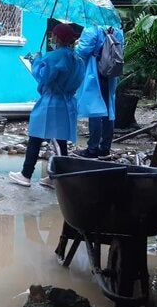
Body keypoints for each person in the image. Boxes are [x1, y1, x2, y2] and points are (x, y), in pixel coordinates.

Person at [8, 23, 85, 187]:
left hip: (51, 103)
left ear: (56, 37)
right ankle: (56, 177)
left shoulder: (54, 57)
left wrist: (36, 62)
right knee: (60, 140)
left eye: (53, 35)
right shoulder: (77, 59)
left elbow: (44, 77)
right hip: (68, 102)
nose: (51, 37)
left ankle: (26, 174)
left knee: (36, 137)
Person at [73, 25, 125, 158]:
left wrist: (77, 45)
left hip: (95, 71)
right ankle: (105, 148)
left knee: (94, 109)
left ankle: (92, 149)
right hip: (111, 72)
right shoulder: (117, 29)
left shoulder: (92, 28)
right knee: (108, 110)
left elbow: (82, 51)